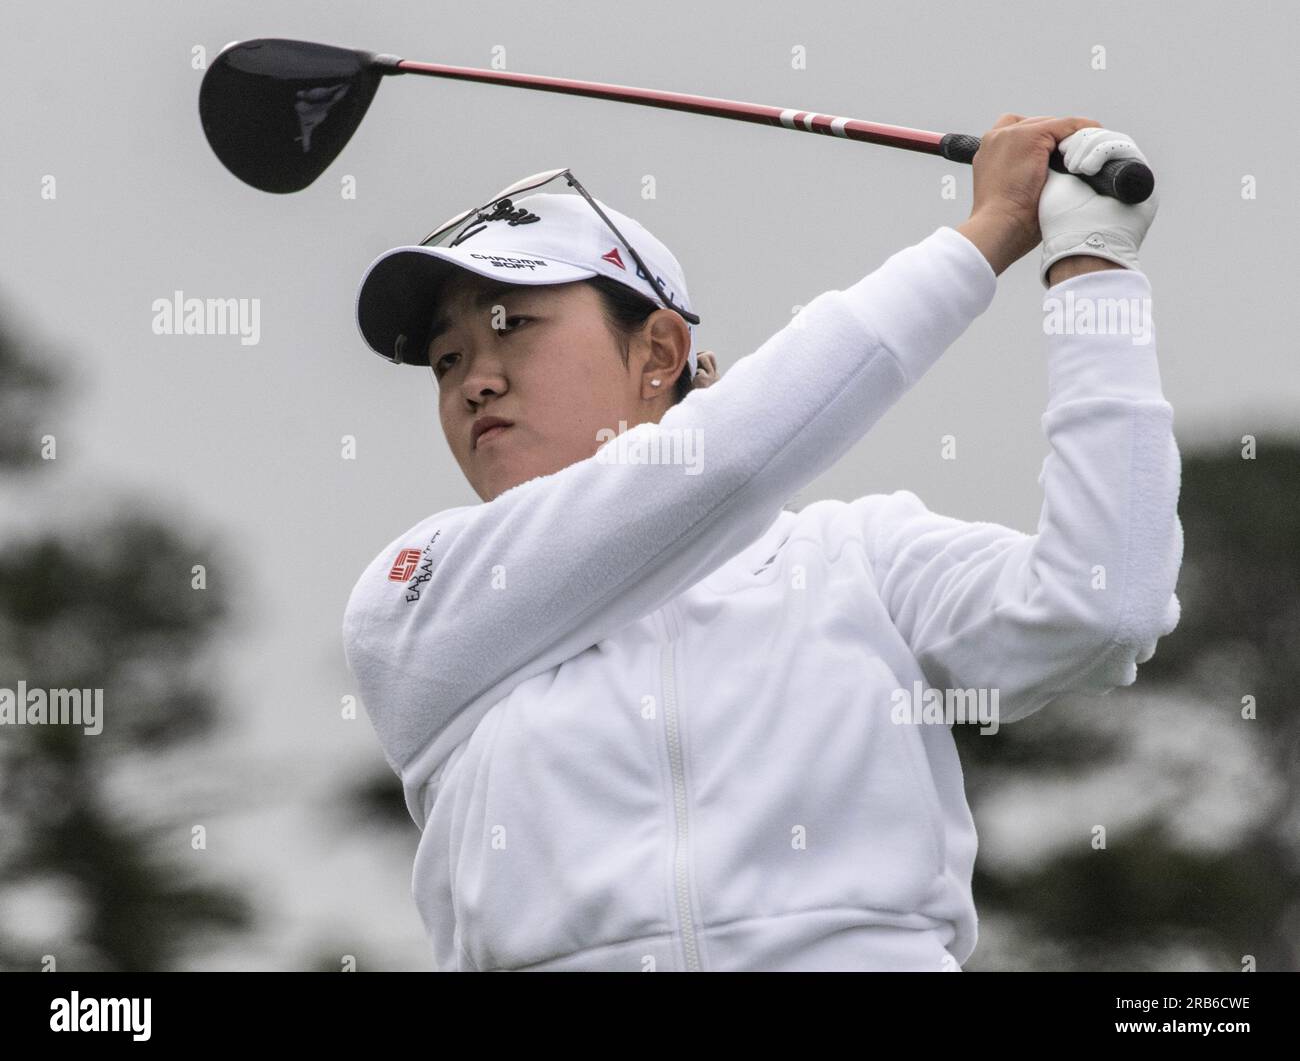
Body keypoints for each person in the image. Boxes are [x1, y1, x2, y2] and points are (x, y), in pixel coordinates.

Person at [341, 116, 1182, 971]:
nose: (474, 381)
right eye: (447, 360)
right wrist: (988, 233)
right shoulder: (414, 599)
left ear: (660, 351)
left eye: (511, 325)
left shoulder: (857, 557)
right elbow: (727, 460)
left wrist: (1093, 270)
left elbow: (1102, 603)